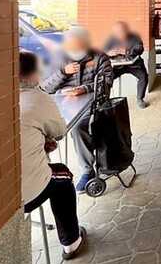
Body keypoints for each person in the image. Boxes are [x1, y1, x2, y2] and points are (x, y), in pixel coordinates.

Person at [19, 50, 88, 259]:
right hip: (21, 194)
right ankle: (71, 242)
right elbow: (59, 132)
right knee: (63, 177)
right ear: (33, 74)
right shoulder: (37, 97)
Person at [41, 26, 113, 192]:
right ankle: (44, 173)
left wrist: (85, 89)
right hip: (60, 103)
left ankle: (87, 170)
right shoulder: (57, 59)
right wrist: (62, 72)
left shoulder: (99, 57)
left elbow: (106, 83)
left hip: (89, 103)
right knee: (40, 129)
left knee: (78, 128)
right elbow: (45, 87)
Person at [104, 21, 149, 109]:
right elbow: (103, 51)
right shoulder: (111, 39)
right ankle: (106, 100)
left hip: (134, 65)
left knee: (143, 76)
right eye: (118, 32)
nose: (120, 34)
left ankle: (140, 98)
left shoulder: (135, 37)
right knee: (106, 79)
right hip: (118, 66)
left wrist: (128, 51)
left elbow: (140, 49)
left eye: (122, 31)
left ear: (127, 30)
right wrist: (109, 53)